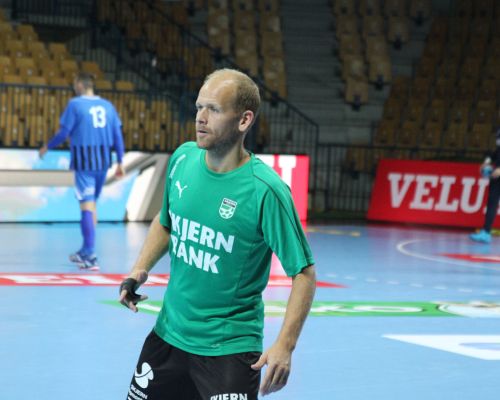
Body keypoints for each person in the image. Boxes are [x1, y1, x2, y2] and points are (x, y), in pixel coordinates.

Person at [119, 68, 316, 400]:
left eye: (214, 109)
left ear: (244, 120)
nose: (201, 117)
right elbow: (166, 222)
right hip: (168, 338)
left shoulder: (265, 190)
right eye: (199, 107)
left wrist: (285, 344)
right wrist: (140, 269)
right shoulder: (182, 159)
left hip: (229, 351)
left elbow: (304, 274)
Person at [39, 72, 125, 269]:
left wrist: (46, 147)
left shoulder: (75, 104)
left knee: (87, 207)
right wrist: (120, 161)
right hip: (103, 163)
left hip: (84, 163)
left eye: (74, 83)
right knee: (91, 206)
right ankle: (85, 250)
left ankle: (91, 256)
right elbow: (117, 136)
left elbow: (64, 133)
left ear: (80, 84)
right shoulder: (108, 106)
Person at [470, 124, 500, 244]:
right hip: (496, 178)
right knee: (492, 203)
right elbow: (493, 154)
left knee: (492, 203)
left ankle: (486, 232)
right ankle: (486, 232)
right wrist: (485, 163)